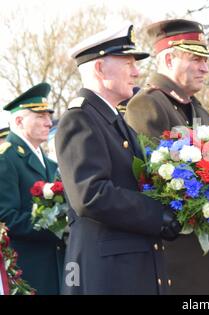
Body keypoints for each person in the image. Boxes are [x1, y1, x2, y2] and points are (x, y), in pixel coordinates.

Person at [55, 23, 180, 294]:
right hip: (110, 273)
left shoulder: (112, 119)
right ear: (100, 69)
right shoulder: (80, 119)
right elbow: (91, 194)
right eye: (127, 63)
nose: (136, 71)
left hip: (130, 267)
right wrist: (156, 213)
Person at [125, 19, 209, 295]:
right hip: (176, 257)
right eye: (196, 59)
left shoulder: (197, 108)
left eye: (205, 60)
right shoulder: (147, 105)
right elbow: (158, 185)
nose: (205, 68)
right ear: (169, 59)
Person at [0, 83, 64, 294]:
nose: (49, 122)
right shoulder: (6, 158)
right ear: (19, 120)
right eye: (40, 117)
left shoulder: (48, 162)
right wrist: (56, 227)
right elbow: (6, 218)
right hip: (27, 269)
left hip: (54, 265)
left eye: (49, 116)